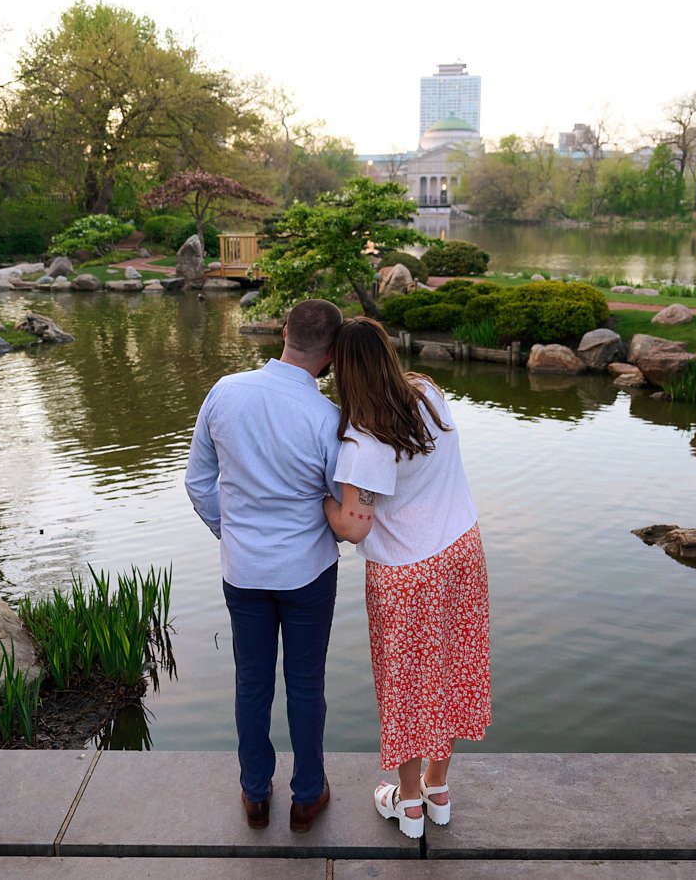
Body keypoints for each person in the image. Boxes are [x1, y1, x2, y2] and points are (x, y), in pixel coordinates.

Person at [324, 316, 491, 840]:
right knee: (453, 671)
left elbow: (354, 525)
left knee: (407, 687)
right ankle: (439, 789)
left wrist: (320, 500)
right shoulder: (428, 394)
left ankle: (410, 803)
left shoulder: (363, 440)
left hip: (406, 574)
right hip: (462, 551)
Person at [185, 298, 343, 833]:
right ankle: (305, 796)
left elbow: (197, 481)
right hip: (308, 572)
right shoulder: (327, 417)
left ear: (283, 332)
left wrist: (229, 535)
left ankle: (255, 793)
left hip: (243, 572)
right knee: (305, 683)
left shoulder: (225, 392)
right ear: (330, 356)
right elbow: (341, 500)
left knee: (251, 683)